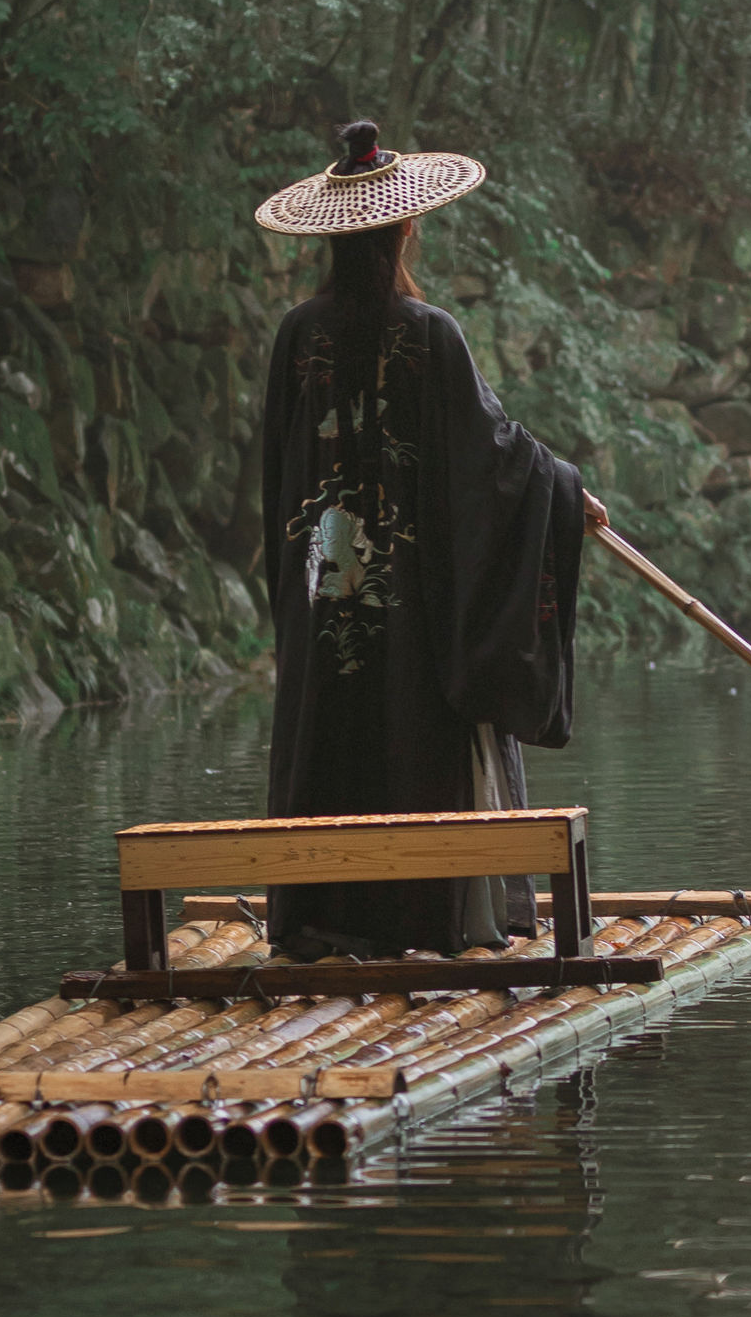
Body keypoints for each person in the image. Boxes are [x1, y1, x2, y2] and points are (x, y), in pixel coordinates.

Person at [255, 120, 606, 962]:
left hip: (322, 585)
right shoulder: (429, 334)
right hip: (413, 607)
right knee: (412, 719)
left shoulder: (298, 337)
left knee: (333, 723)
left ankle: (321, 913)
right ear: (408, 227)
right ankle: (425, 916)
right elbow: (493, 459)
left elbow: (278, 480)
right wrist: (563, 490)